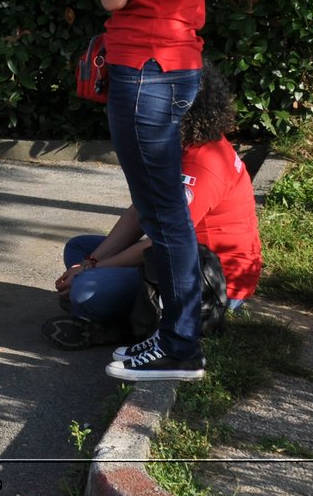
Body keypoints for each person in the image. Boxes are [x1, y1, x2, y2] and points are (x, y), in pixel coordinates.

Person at [97, 0, 223, 382]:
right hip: (169, 66)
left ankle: (178, 344)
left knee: (165, 214)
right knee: (161, 209)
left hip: (147, 69)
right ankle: (176, 339)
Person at [45, 67, 262, 349]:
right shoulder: (183, 145)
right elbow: (139, 212)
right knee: (78, 248)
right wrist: (91, 263)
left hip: (211, 284)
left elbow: (162, 242)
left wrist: (89, 274)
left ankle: (125, 326)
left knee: (86, 293)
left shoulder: (201, 164)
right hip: (176, 261)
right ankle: (123, 309)